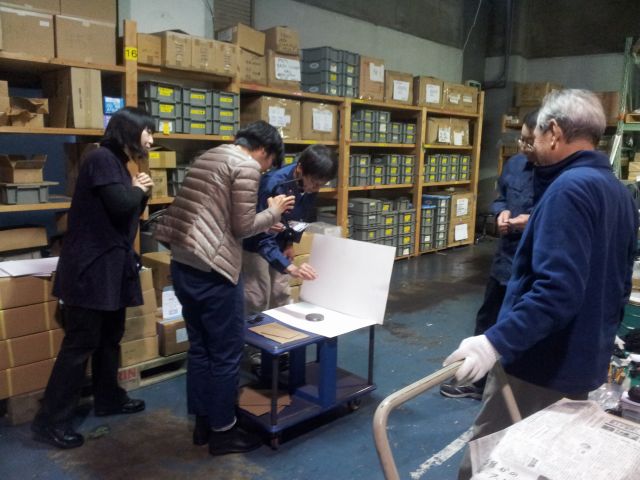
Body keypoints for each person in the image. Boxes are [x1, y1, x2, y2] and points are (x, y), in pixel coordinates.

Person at [443, 89, 639, 479]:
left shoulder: (568, 190)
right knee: (547, 460)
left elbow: (556, 291)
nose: (531, 145)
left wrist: (494, 342)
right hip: (584, 360)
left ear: (553, 132)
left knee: (490, 457)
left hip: (541, 365)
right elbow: (620, 280)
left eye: (534, 137)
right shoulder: (619, 191)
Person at [153, 121, 295, 456]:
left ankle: (203, 423)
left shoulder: (210, 155)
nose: (265, 170)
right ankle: (223, 431)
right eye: (269, 163)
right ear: (264, 150)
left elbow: (218, 215)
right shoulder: (246, 165)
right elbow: (242, 227)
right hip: (214, 271)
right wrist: (272, 211)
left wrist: (266, 222)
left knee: (200, 348)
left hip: (184, 263)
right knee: (227, 352)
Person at [32, 107, 156, 449]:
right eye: (148, 131)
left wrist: (139, 191)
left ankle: (108, 397)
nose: (151, 139)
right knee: (80, 343)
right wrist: (139, 190)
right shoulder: (101, 158)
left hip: (110, 267)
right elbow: (120, 204)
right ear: (130, 130)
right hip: (91, 268)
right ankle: (49, 421)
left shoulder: (118, 162)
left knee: (110, 336)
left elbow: (127, 211)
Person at [440, 110, 538, 400]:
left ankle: (511, 391)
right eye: (521, 140)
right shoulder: (515, 165)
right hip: (505, 260)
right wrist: (501, 212)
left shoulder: (558, 175)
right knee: (487, 320)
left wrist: (531, 221)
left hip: (533, 265)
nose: (523, 147)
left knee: (522, 326)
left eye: (530, 141)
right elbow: (500, 199)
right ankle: (477, 383)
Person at [242, 144, 338, 314]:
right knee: (257, 296)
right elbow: (260, 236)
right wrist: (290, 267)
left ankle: (281, 330)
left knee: (281, 293)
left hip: (280, 239)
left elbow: (301, 217)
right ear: (300, 169)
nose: (316, 189)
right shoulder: (272, 184)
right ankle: (252, 331)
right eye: (314, 183)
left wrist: (289, 243)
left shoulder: (311, 182)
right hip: (256, 243)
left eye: (321, 185)